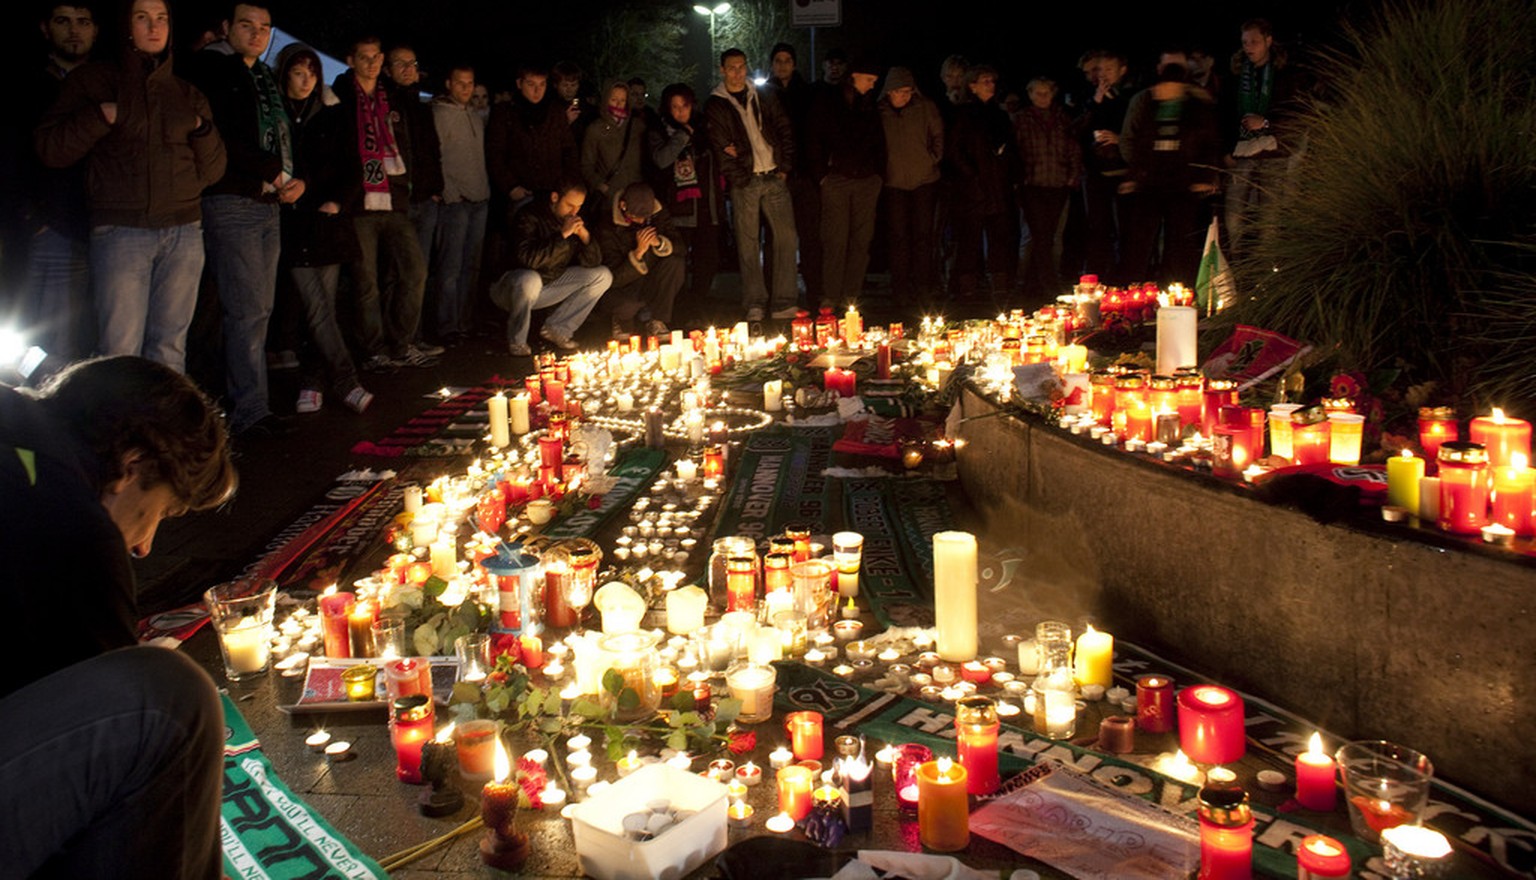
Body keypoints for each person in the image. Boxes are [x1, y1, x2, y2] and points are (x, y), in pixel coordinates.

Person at [0, 354, 237, 879]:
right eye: (161, 512)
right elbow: (105, 742)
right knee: (167, 703)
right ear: (131, 468)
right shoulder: (69, 529)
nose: (145, 545)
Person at [35, 0, 227, 374]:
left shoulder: (187, 94)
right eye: (143, 18)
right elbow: (50, 149)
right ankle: (121, 429)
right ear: (127, 25)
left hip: (184, 231)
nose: (154, 27)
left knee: (170, 346)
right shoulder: (94, 81)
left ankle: (162, 430)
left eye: (162, 19)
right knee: (121, 349)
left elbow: (214, 171)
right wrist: (100, 116)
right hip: (122, 232)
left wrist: (201, 129)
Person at [182, 1, 295, 437]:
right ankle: (248, 408)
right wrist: (274, 170)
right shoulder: (213, 70)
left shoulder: (261, 76)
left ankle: (244, 400)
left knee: (256, 308)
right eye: (246, 25)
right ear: (226, 26)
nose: (257, 34)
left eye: (265, 27)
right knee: (246, 310)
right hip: (232, 197)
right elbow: (224, 135)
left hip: (266, 199)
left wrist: (285, 177)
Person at [275, 43, 373, 415]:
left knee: (322, 308)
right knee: (316, 307)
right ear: (285, 74)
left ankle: (311, 382)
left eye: (311, 73)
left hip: (327, 222)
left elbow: (352, 166)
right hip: (294, 223)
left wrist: (337, 201)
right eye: (298, 73)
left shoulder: (332, 114)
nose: (306, 80)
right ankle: (347, 381)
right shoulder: (277, 114)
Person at [334, 35, 435, 370]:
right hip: (359, 200)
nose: (372, 63)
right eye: (365, 57)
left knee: (414, 271)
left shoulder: (390, 99)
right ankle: (374, 349)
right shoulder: (341, 97)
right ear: (351, 61)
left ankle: (401, 342)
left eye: (377, 57)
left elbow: (405, 144)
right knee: (366, 281)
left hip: (394, 198)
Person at [19, 3, 99, 361]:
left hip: (104, 226)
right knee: (42, 340)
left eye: (83, 22)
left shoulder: (107, 84)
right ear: (45, 27)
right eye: (63, 21)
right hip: (48, 227)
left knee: (85, 336)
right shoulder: (28, 85)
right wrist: (30, 217)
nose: (74, 30)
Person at [704, 47, 798, 322]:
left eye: (741, 67)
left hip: (773, 174)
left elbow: (783, 128)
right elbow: (721, 146)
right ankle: (755, 301)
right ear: (722, 70)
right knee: (747, 244)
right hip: (746, 181)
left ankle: (784, 301)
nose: (737, 72)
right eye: (731, 68)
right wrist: (739, 177)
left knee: (787, 238)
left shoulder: (763, 94)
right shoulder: (716, 104)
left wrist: (784, 168)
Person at [1119, 58, 1221, 284]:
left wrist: (1204, 177)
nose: (1158, 90)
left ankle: (1175, 285)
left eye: (1164, 85)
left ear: (1178, 86)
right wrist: (1133, 176)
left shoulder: (1196, 110)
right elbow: (1141, 145)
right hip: (1151, 182)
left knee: (1179, 238)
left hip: (1182, 183)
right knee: (1140, 237)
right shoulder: (1150, 107)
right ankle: (1133, 285)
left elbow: (1208, 145)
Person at [490, 179, 612, 356]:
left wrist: (586, 238)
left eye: (578, 206)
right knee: (529, 279)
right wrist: (563, 235)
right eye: (570, 205)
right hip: (511, 288)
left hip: (548, 284)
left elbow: (592, 263)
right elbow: (529, 260)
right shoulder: (529, 215)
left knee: (602, 275)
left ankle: (558, 328)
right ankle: (517, 341)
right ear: (555, 197)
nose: (574, 211)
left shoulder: (573, 220)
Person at [806, 56, 885, 307]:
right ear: (856, 76)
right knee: (835, 239)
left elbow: (879, 142)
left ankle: (851, 294)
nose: (872, 85)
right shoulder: (829, 102)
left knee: (861, 240)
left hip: (866, 180)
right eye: (870, 80)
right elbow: (815, 138)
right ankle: (831, 294)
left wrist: (877, 175)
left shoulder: (870, 106)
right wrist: (822, 176)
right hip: (836, 179)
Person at [1222, 18, 1301, 251]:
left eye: (1254, 41)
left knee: (1269, 221)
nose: (1249, 47)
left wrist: (1265, 123)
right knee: (1234, 217)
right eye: (1245, 42)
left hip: (1274, 153)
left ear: (1268, 41)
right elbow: (1224, 114)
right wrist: (1226, 149)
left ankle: (1266, 273)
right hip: (1241, 152)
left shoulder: (1286, 74)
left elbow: (1295, 113)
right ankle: (1237, 268)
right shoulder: (1235, 75)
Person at [650, 82, 723, 324]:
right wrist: (682, 136)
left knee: (708, 261)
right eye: (675, 107)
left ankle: (698, 306)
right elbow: (661, 160)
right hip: (679, 210)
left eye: (685, 106)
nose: (681, 111)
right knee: (679, 261)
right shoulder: (660, 130)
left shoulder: (704, 127)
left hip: (706, 206)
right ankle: (680, 311)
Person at [946, 63, 1019, 301]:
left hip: (997, 185)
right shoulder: (964, 114)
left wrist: (1007, 170)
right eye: (985, 81)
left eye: (992, 81)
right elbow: (954, 150)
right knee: (969, 237)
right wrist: (971, 176)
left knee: (999, 235)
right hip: (973, 187)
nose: (991, 85)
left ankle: (998, 283)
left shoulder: (999, 115)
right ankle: (965, 286)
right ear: (972, 86)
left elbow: (1010, 147)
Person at [431, 63, 491, 344]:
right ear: (448, 84)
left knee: (471, 266)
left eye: (470, 83)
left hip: (479, 198)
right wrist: (449, 192)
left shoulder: (475, 116)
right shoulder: (439, 114)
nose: (466, 88)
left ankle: (465, 322)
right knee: (450, 266)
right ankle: (447, 325)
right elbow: (437, 156)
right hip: (456, 201)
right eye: (460, 83)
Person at [878, 67, 943, 308]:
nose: (904, 96)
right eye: (899, 92)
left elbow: (938, 136)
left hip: (924, 180)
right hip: (893, 182)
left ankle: (923, 286)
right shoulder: (880, 111)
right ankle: (900, 287)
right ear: (889, 92)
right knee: (898, 237)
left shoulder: (925, 108)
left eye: (907, 91)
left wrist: (931, 160)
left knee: (923, 237)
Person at [1014, 77, 1082, 303]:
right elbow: (1017, 150)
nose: (1043, 97)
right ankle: (1036, 283)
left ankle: (1042, 282)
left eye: (1047, 93)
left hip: (1058, 183)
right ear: (1031, 95)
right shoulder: (1022, 119)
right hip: (1032, 184)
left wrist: (1072, 177)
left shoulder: (1062, 119)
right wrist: (1018, 180)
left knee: (1052, 236)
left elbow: (1073, 148)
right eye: (1038, 93)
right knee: (1038, 235)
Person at [597, 181, 682, 337]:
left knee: (674, 263)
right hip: (623, 287)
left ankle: (656, 319)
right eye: (636, 216)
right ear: (623, 206)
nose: (642, 221)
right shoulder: (607, 227)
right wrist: (637, 254)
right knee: (626, 305)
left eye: (646, 217)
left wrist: (660, 243)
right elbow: (613, 277)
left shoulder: (658, 214)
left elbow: (680, 246)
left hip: (650, 280)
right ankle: (622, 320)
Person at [581, 79, 645, 217]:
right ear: (606, 100)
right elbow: (586, 165)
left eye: (622, 100)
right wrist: (599, 185)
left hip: (635, 198)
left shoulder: (637, 126)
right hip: (609, 200)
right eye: (614, 99)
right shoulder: (595, 129)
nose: (618, 104)